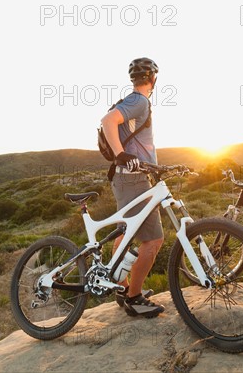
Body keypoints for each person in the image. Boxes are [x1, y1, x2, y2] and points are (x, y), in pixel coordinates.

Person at [100, 57, 165, 318]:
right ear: (153, 79)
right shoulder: (140, 101)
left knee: (124, 234)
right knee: (154, 240)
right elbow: (108, 121)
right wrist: (120, 154)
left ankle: (122, 287)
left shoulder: (135, 101)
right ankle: (134, 297)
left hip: (127, 178)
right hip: (132, 178)